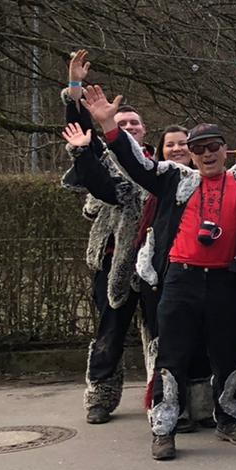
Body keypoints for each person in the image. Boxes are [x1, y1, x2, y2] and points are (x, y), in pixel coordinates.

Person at [83, 87, 236, 461]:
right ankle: (164, 428)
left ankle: (228, 419)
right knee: (170, 356)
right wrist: (108, 126)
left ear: (225, 149)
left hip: (225, 281)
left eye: (213, 146)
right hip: (181, 280)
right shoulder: (174, 178)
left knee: (228, 355)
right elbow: (135, 164)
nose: (207, 154)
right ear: (192, 154)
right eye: (199, 148)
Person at [59, 51, 153, 425]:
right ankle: (100, 395)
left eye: (134, 123)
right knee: (109, 332)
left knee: (160, 332)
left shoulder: (158, 164)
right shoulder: (104, 159)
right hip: (113, 260)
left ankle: (162, 395)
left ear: (144, 130)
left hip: (154, 263)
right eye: (121, 122)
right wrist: (75, 87)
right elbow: (81, 136)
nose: (128, 127)